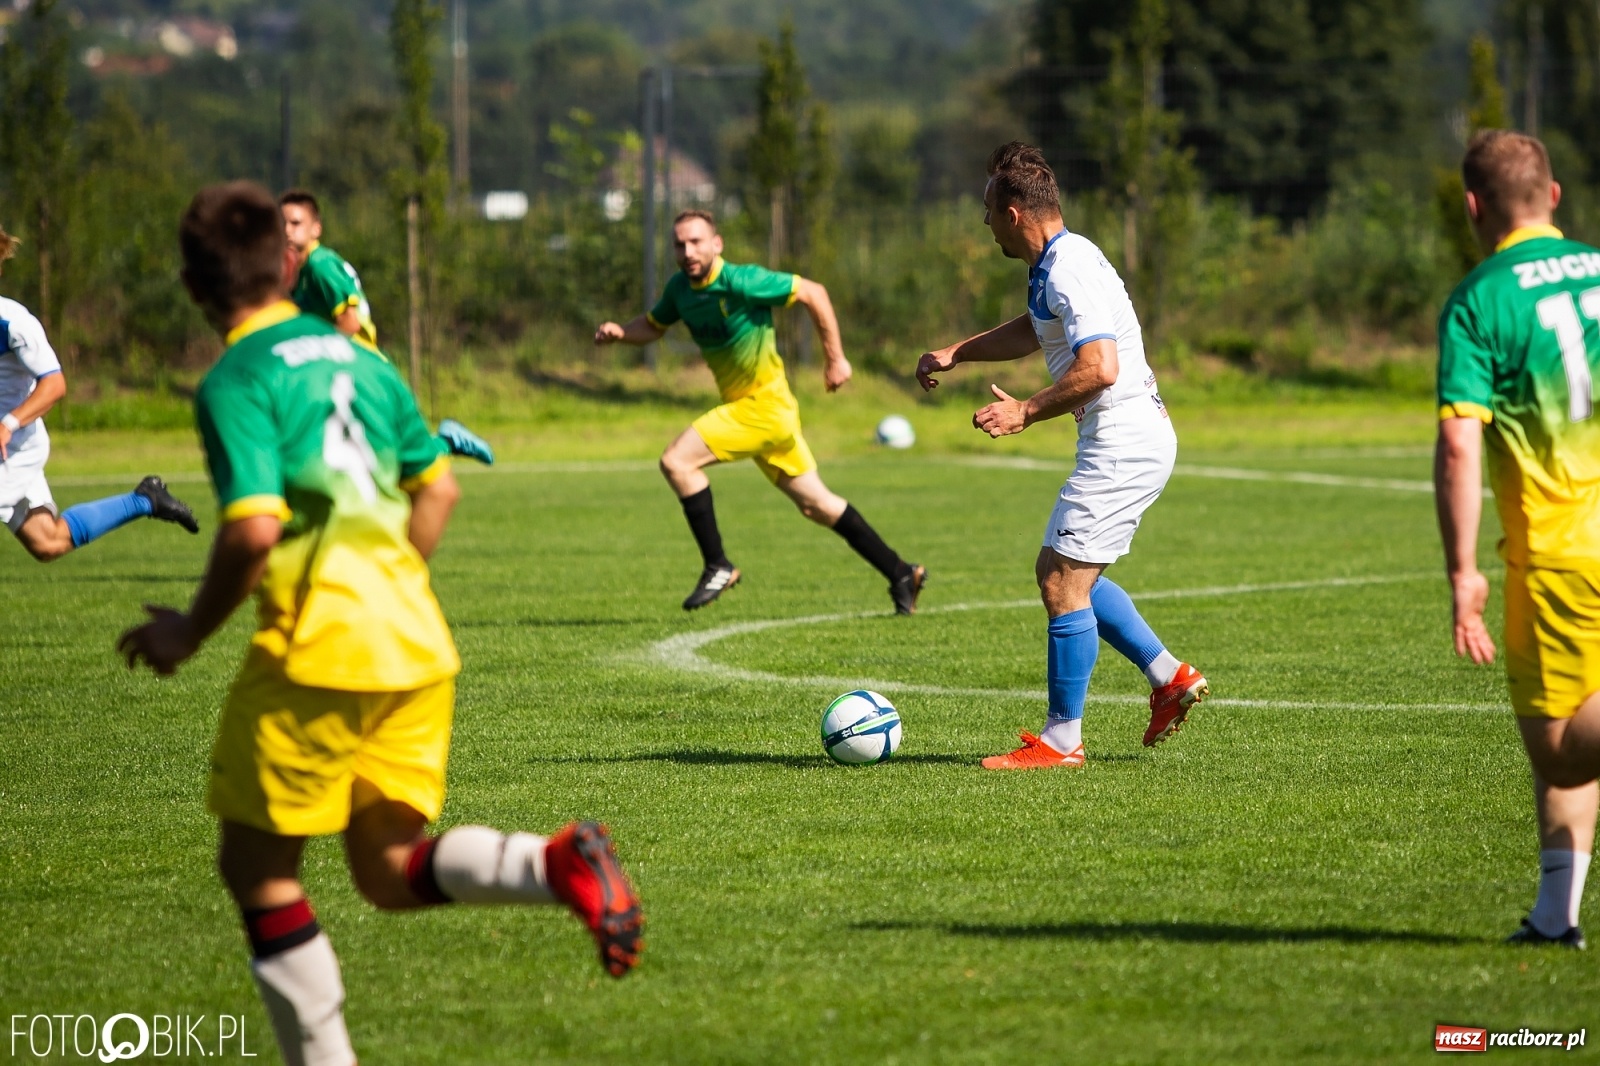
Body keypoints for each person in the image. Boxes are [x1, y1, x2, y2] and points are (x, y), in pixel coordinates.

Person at [119, 182, 643, 1065]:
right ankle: (554, 865)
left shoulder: (235, 378)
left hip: (316, 651)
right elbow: (437, 485)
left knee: (258, 871)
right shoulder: (360, 360)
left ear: (194, 285)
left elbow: (251, 528)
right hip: (414, 640)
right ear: (287, 265)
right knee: (388, 873)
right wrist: (389, 581)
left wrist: (187, 633)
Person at [914, 142, 1207, 770]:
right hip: (1127, 436)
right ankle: (1170, 679)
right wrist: (959, 351)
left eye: (988, 211)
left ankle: (1061, 741)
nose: (984, 222)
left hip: (1124, 440)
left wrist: (1025, 411)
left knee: (1060, 581)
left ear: (1014, 214)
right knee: (1068, 571)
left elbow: (1099, 368)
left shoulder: (1069, 267)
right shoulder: (1056, 263)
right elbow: (1034, 329)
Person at [1435, 129, 1600, 949]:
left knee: (1565, 747)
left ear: (1472, 207)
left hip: (1565, 549)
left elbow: (1461, 442)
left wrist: (1463, 570)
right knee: (1569, 738)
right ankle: (1554, 917)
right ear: (1555, 195)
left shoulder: (1481, 299)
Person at [595, 209, 926, 613]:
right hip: (758, 414)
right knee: (817, 504)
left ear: (716, 244)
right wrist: (621, 334)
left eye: (696, 241)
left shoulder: (741, 280)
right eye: (679, 244)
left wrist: (835, 359)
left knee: (677, 462)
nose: (687, 251)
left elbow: (813, 292)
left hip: (764, 408)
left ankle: (718, 565)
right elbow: (653, 325)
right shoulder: (680, 290)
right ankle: (901, 573)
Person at [0, 224, 198, 560]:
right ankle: (145, 499)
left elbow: (54, 384)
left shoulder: (14, 322)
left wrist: (8, 424)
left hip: (14, 447)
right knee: (48, 541)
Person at [279, 188, 495, 467]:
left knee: (393, 456)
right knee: (377, 453)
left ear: (316, 229)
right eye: (281, 223)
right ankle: (444, 442)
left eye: (296, 223)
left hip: (360, 369)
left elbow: (349, 321)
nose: (286, 230)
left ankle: (446, 442)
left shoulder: (320, 265)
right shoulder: (300, 272)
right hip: (349, 369)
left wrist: (318, 361)